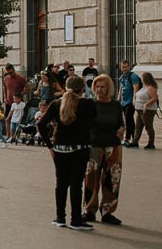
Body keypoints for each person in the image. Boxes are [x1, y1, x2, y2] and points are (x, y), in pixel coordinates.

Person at [38, 75, 96, 230]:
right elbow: (94, 123)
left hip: (59, 148)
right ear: (82, 89)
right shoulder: (88, 104)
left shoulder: (56, 104)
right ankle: (76, 220)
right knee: (76, 185)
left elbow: (41, 124)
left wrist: (50, 145)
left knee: (61, 184)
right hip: (80, 148)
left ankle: (60, 217)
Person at [83, 74, 125, 225]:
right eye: (97, 86)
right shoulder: (90, 104)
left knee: (112, 180)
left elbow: (121, 122)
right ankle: (89, 210)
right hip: (94, 146)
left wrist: (121, 130)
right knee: (91, 178)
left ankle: (108, 212)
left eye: (102, 87)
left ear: (109, 88)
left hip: (112, 146)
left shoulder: (115, 105)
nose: (99, 89)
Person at [131, 71, 160, 148]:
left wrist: (146, 105)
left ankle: (151, 142)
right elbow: (137, 94)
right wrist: (134, 100)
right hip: (139, 109)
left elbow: (154, 98)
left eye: (142, 78)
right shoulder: (144, 87)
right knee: (138, 126)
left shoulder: (150, 88)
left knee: (148, 126)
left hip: (148, 110)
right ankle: (135, 141)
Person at [116, 61, 141, 147]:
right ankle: (134, 139)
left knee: (128, 119)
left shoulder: (133, 76)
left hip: (130, 102)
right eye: (123, 67)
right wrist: (118, 99)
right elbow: (121, 88)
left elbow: (136, 88)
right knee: (129, 120)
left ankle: (127, 138)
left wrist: (135, 99)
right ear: (120, 67)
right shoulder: (122, 77)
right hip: (123, 101)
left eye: (126, 67)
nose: (124, 69)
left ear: (129, 66)